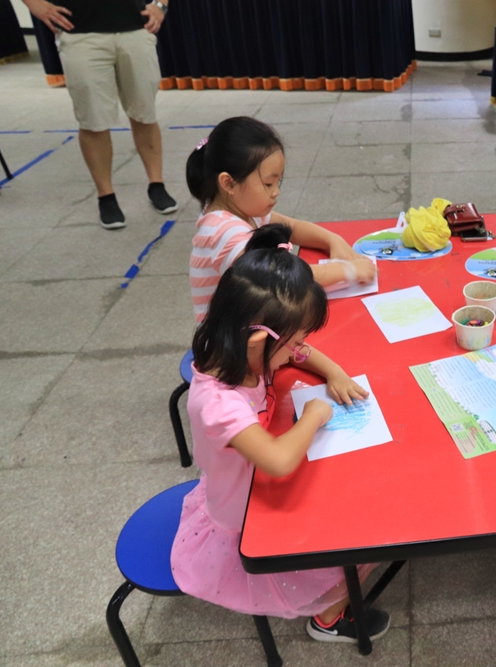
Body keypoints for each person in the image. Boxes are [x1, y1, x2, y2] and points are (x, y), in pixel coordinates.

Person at [170, 225, 387, 643]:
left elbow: (302, 352)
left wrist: (334, 372)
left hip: (255, 484)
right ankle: (329, 618)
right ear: (257, 340)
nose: (298, 351)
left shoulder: (239, 347)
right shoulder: (218, 406)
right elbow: (279, 460)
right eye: (293, 343)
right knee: (366, 542)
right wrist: (314, 416)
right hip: (245, 515)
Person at [187, 116, 375, 323]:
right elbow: (280, 279)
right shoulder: (223, 231)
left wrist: (333, 240)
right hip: (233, 348)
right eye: (268, 184)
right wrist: (346, 271)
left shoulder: (242, 210)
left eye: (278, 182)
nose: (276, 192)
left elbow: (292, 227)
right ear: (228, 183)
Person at [21, 0, 178, 230]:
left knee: (144, 113)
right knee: (93, 120)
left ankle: (156, 184)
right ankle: (106, 195)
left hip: (135, 28)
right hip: (81, 34)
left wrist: (161, 5)